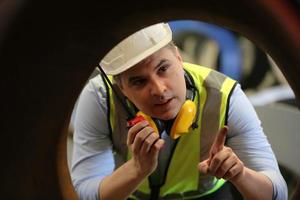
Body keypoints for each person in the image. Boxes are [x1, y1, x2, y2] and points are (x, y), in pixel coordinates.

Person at [71, 22, 287, 200]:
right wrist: (137, 169)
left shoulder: (224, 94)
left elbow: (278, 193)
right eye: (138, 81)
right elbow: (83, 192)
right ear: (121, 88)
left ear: (179, 58)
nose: (159, 89)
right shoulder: (99, 98)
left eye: (163, 68)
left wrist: (240, 175)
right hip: (129, 194)